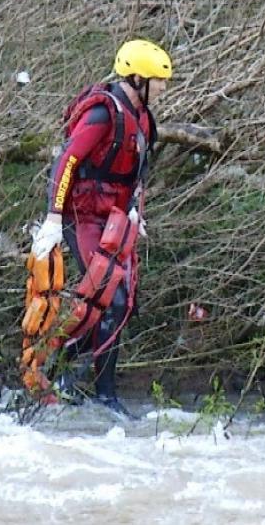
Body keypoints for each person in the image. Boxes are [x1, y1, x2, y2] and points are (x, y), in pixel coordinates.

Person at [30, 39, 172, 415]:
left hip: (113, 219)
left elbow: (136, 176)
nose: (162, 88)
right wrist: (54, 219)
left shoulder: (143, 117)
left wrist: (134, 213)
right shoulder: (103, 114)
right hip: (81, 217)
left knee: (122, 303)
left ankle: (67, 372)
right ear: (138, 77)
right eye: (158, 80)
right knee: (112, 299)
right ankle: (95, 391)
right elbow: (67, 162)